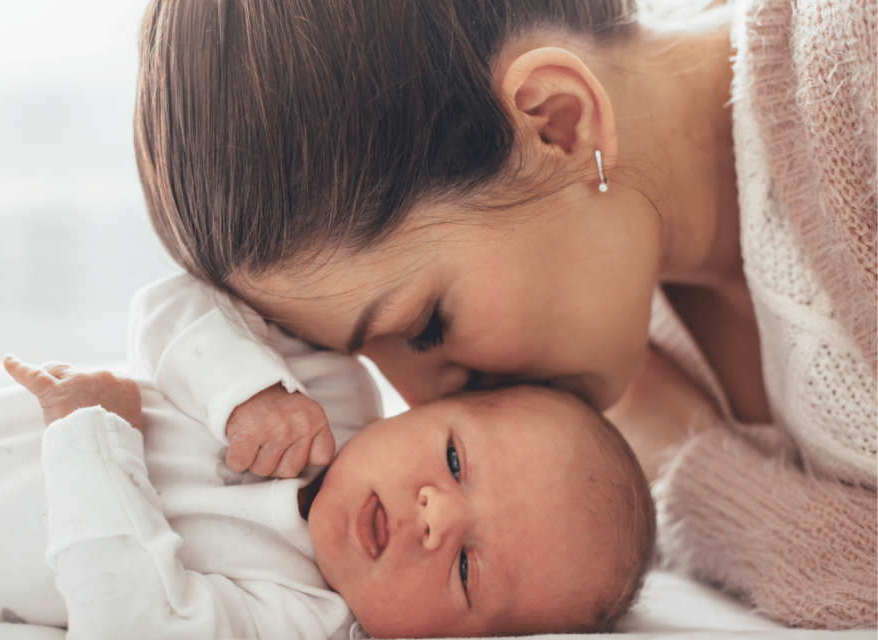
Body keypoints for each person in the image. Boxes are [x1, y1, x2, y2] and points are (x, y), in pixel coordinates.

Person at [132, 0, 876, 629]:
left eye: (426, 324)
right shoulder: (613, 360)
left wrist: (693, 470)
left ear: (557, 120)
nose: (426, 402)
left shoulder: (856, 73)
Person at [0, 274, 655, 638]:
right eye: (452, 460)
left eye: (471, 571)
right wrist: (246, 391)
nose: (437, 516)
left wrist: (91, 434)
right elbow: (172, 303)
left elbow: (130, 622)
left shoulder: (298, 617)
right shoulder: (327, 389)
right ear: (428, 405)